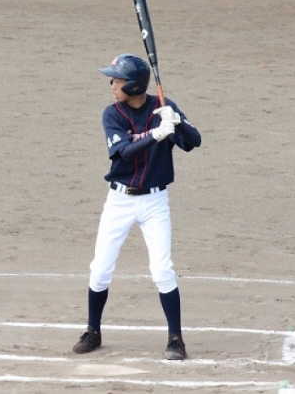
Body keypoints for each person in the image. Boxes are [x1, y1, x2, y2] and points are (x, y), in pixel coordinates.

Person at [72, 53, 202, 360]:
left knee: (162, 270)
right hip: (119, 201)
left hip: (155, 202)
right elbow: (125, 152)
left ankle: (175, 339)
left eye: (116, 80)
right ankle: (93, 331)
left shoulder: (163, 106)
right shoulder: (112, 114)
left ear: (133, 86)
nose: (111, 86)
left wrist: (177, 122)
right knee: (100, 268)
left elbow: (194, 141)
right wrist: (157, 134)